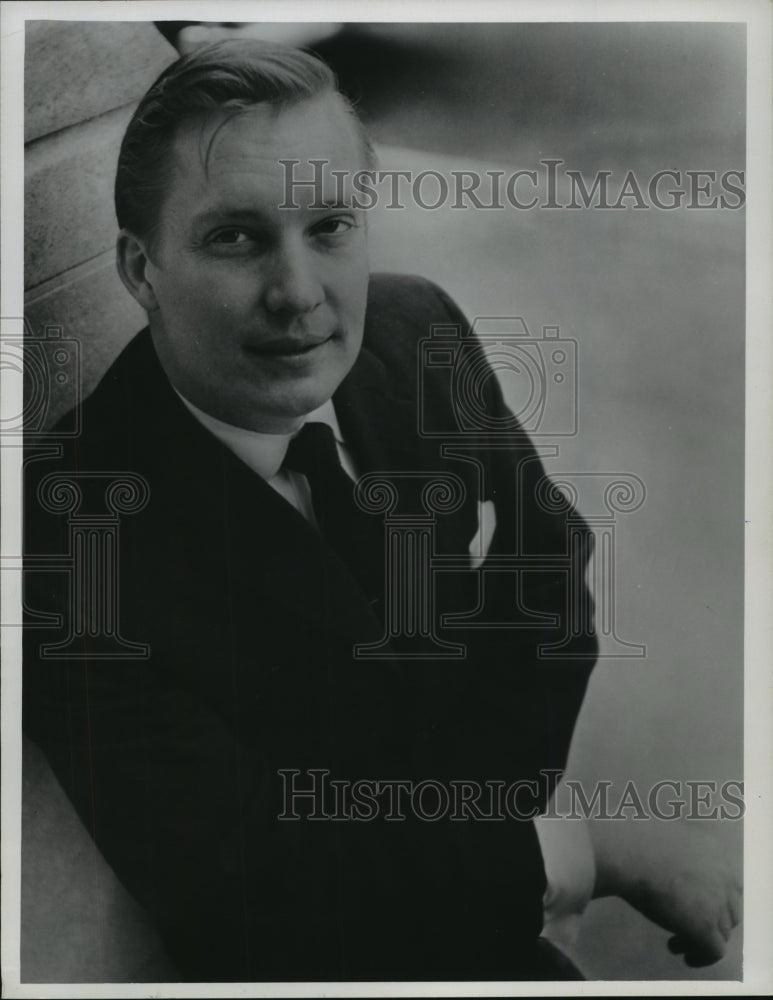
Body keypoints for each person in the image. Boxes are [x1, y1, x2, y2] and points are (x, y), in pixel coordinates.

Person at [22, 39, 740, 982]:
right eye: (234, 236)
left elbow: (549, 567)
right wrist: (581, 852)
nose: (299, 295)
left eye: (329, 226)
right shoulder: (70, 541)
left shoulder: (418, 327)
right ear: (139, 269)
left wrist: (490, 842)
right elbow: (249, 890)